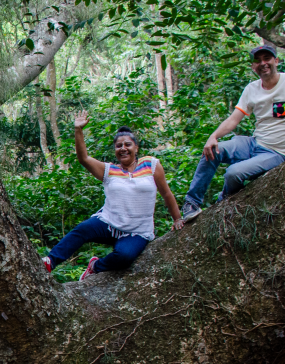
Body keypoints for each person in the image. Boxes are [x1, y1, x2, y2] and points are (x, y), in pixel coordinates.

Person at [182, 45, 285, 222]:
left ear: (276, 61)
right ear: (253, 66)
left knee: (233, 173)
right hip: (254, 143)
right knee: (212, 150)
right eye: (258, 60)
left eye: (267, 58)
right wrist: (213, 136)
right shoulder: (252, 89)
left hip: (277, 153)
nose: (263, 63)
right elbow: (233, 119)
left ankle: (222, 200)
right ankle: (191, 203)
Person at [42, 114, 183, 281]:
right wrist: (78, 129)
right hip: (109, 223)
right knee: (82, 230)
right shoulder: (109, 171)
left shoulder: (151, 165)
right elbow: (83, 158)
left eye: (127, 144)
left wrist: (177, 218)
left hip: (138, 231)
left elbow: (166, 193)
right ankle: (50, 261)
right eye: (118, 146)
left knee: (125, 256)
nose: (123, 148)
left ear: (136, 148)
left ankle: (95, 266)